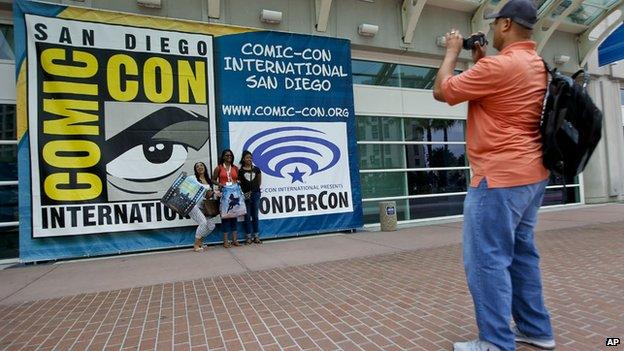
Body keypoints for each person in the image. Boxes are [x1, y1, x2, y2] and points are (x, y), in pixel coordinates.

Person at [432, 1, 555, 350]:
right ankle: (536, 329)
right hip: (531, 175)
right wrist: (480, 60)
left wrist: (453, 51)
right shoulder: (535, 63)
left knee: (486, 261)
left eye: (495, 23)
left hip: (498, 178)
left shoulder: (503, 66)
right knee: (521, 256)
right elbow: (502, 96)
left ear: (504, 25)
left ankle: (496, 343)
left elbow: (443, 90)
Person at [212, 149, 240, 248]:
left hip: (234, 195)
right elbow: (213, 179)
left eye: (230, 155)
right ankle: (225, 241)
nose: (229, 157)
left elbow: (238, 179)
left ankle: (235, 240)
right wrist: (220, 184)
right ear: (223, 157)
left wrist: (238, 183)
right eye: (227, 155)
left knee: (234, 217)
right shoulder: (219, 168)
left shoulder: (235, 168)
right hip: (224, 195)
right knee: (225, 218)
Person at [189, 162, 216, 252]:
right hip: (193, 205)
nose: (200, 167)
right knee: (203, 223)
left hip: (204, 206)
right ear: (195, 169)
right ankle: (196, 245)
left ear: (205, 167)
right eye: (197, 166)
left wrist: (213, 193)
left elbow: (207, 196)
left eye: (201, 165)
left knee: (211, 225)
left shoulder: (208, 180)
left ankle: (200, 242)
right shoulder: (192, 178)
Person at [239, 150, 262, 244]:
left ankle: (256, 236)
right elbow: (240, 184)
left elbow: (259, 181)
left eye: (251, 157)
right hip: (245, 196)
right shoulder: (241, 171)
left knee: (255, 215)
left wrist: (255, 191)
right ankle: (248, 237)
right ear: (243, 159)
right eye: (247, 157)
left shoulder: (256, 169)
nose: (250, 159)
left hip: (256, 194)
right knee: (247, 216)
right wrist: (244, 193)